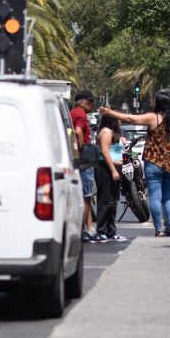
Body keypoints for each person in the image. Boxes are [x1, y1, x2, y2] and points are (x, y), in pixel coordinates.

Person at [100, 90, 170, 237]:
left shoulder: (153, 118)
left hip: (154, 162)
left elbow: (130, 118)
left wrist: (110, 112)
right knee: (168, 196)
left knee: (155, 196)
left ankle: (159, 229)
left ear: (158, 103)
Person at [93, 113, 126, 243]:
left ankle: (111, 231)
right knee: (105, 201)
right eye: (118, 119)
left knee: (113, 201)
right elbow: (105, 152)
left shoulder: (113, 133)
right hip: (106, 168)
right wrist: (113, 170)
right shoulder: (106, 131)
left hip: (115, 167)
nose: (120, 121)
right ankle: (101, 231)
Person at [71, 91, 97, 242]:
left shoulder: (73, 113)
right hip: (83, 161)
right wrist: (83, 150)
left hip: (75, 159)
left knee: (82, 195)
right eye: (91, 103)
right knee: (86, 196)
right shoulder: (80, 114)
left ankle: (86, 229)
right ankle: (81, 231)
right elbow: (78, 131)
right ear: (83, 102)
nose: (92, 106)